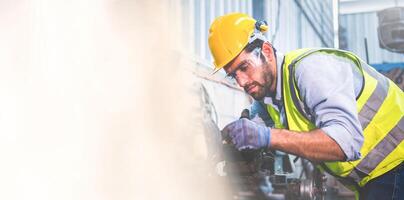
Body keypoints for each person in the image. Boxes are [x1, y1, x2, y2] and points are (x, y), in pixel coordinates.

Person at [208, 13, 404, 200]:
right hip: (376, 176)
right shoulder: (267, 98)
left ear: (266, 52)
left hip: (397, 164)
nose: (241, 82)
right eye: (233, 75)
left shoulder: (310, 70)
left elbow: (345, 142)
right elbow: (249, 127)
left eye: (244, 67)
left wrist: (266, 136)